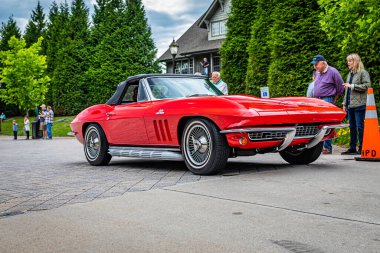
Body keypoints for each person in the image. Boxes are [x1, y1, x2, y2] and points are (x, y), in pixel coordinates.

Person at [310, 55, 344, 154]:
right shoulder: (317, 72)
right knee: (318, 124)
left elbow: (340, 87)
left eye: (317, 64)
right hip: (317, 100)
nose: (315, 66)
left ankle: (327, 148)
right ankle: (319, 147)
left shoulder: (333, 72)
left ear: (323, 63)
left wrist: (335, 98)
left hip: (327, 99)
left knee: (327, 124)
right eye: (314, 65)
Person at [341, 53, 371, 155]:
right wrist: (344, 103)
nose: (348, 63)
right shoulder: (349, 74)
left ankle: (362, 148)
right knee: (352, 127)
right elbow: (347, 90)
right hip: (350, 105)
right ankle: (352, 148)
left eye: (350, 61)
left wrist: (353, 86)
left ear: (356, 61)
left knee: (360, 126)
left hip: (359, 104)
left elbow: (367, 86)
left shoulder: (363, 72)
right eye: (348, 61)